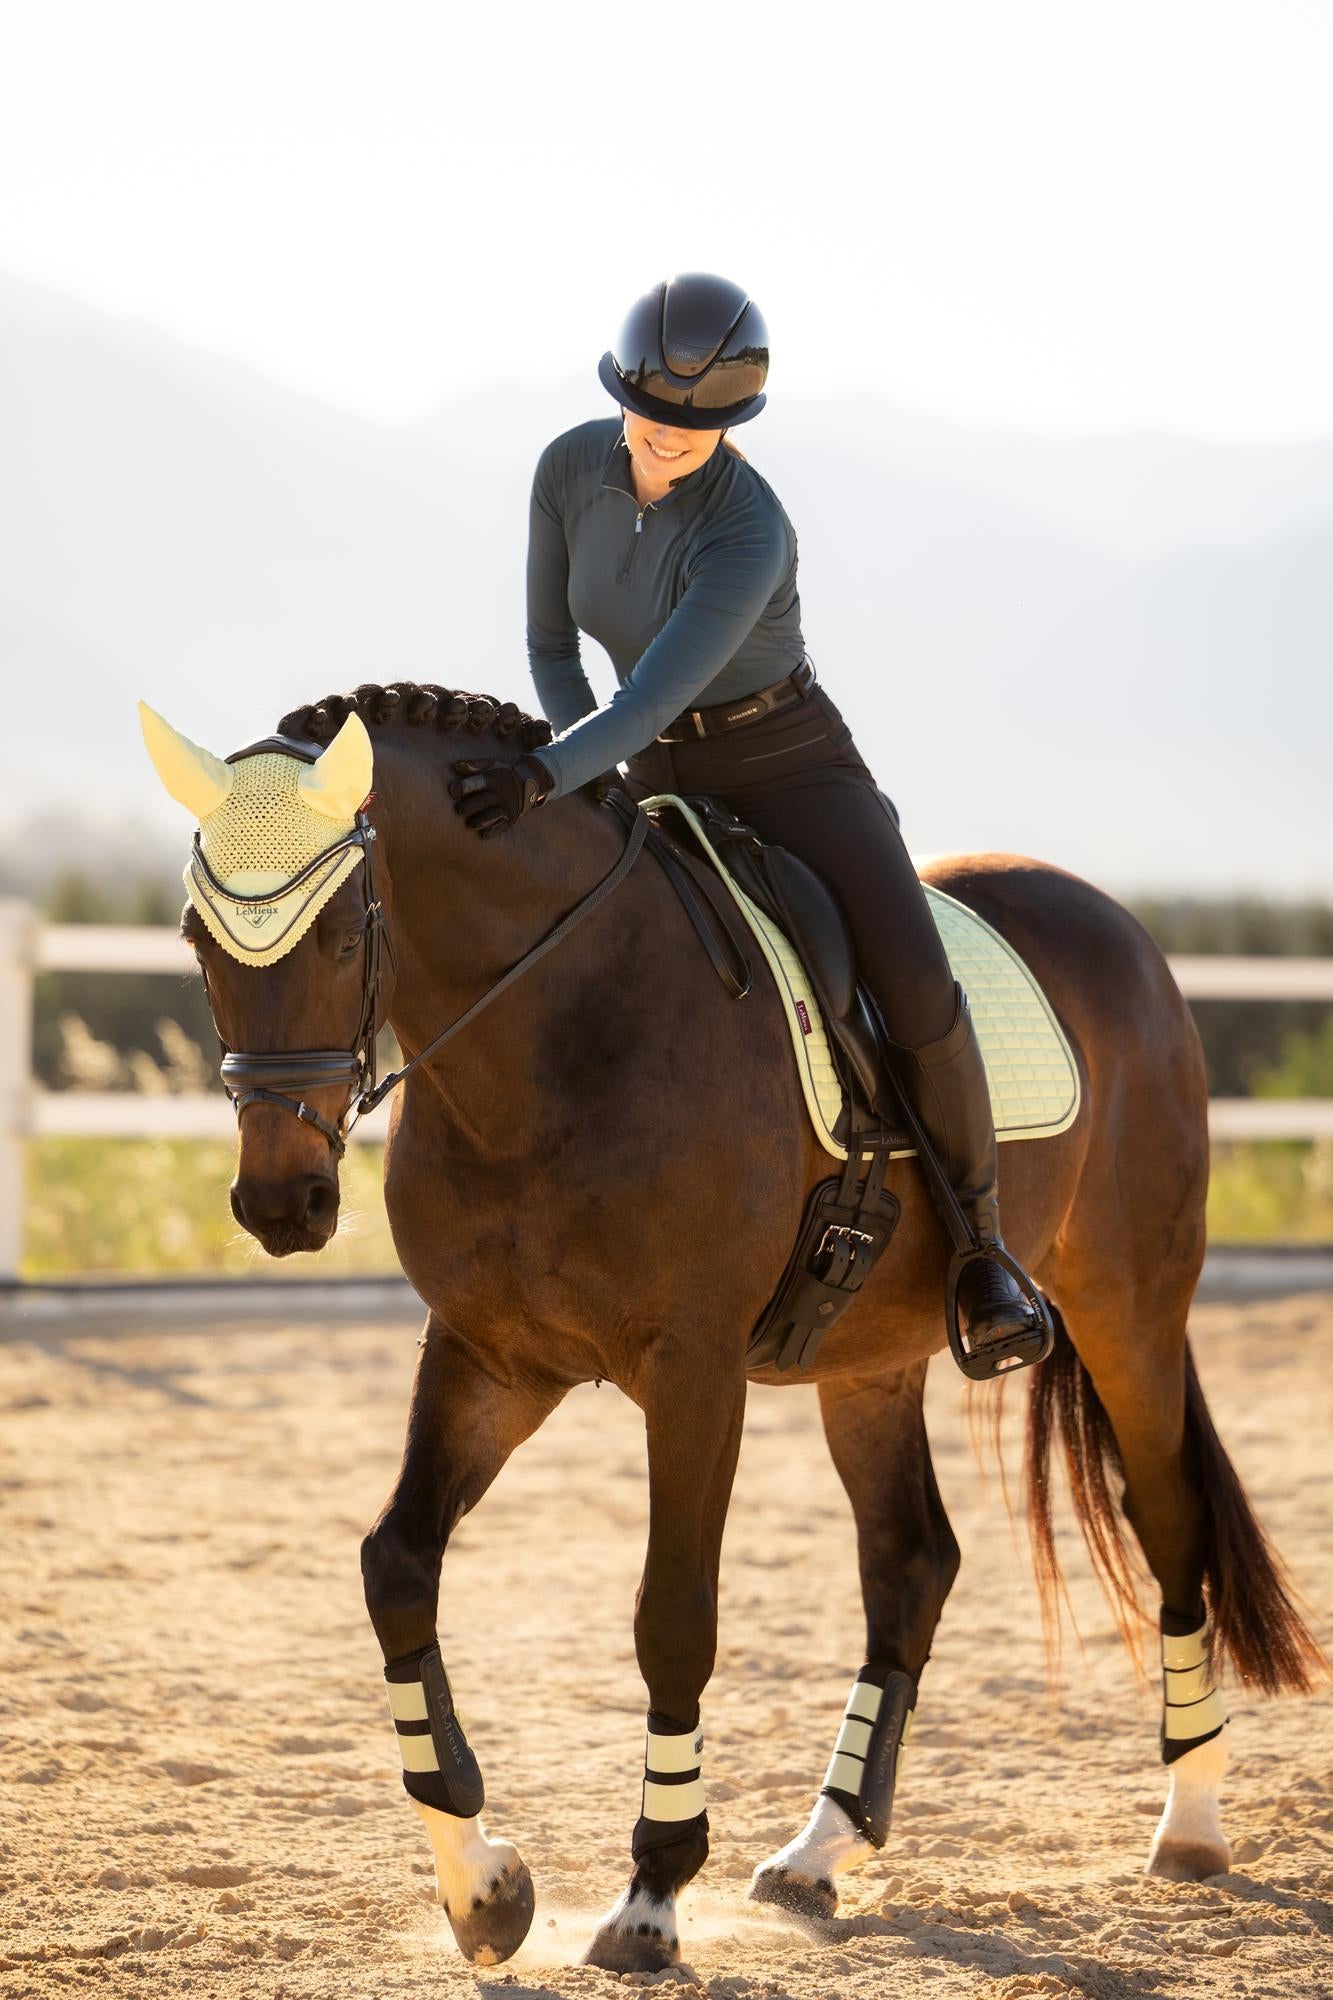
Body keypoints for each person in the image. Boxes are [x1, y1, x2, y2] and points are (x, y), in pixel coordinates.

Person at [449, 272, 1043, 1354]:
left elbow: (650, 694)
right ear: (619, 394)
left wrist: (548, 776)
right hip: (647, 763)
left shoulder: (750, 530)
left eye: (701, 423)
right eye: (655, 415)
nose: (671, 437)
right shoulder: (565, 468)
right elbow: (551, 647)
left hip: (789, 764)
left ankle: (983, 1253)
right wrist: (581, 773)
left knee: (909, 976)